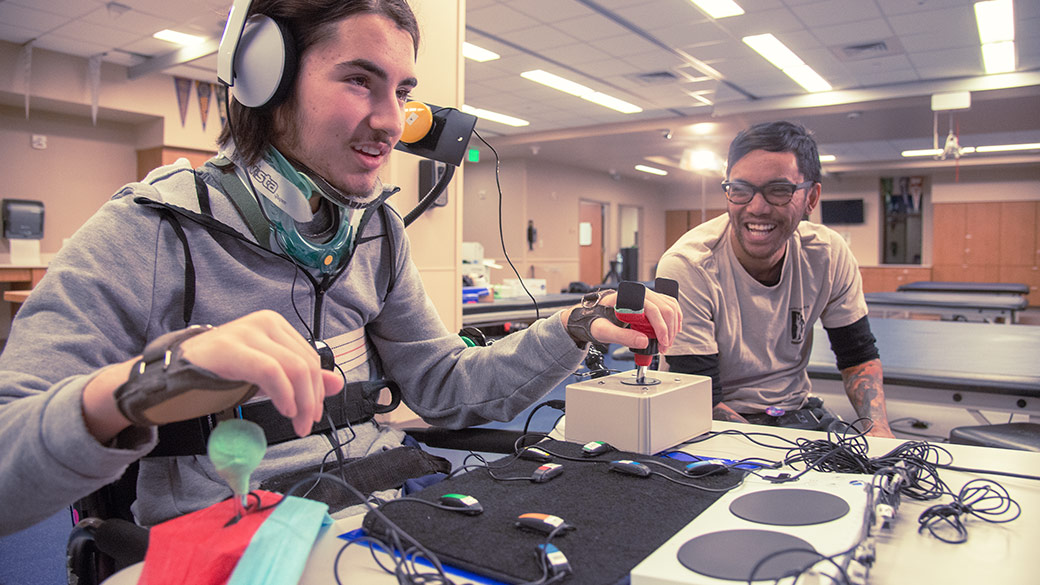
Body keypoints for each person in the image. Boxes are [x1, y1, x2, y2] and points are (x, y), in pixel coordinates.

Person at [0, 0, 680, 537]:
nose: (392, 122)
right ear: (265, 78)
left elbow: (445, 386)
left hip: (387, 510)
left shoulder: (374, 232)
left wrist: (575, 325)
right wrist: (134, 387)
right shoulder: (150, 230)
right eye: (359, 80)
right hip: (239, 533)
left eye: (403, 91)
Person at [657, 121, 893, 438]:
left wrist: (877, 429)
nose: (757, 207)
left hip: (796, 412)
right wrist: (781, 451)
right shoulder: (688, 265)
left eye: (778, 191)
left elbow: (858, 357)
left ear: (811, 197)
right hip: (712, 421)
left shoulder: (828, 254)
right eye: (740, 190)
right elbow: (701, 395)